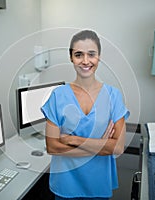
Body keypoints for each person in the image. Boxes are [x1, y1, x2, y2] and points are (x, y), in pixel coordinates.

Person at [41, 30, 130, 200]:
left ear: (99, 57)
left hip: (98, 184)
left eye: (91, 54)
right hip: (65, 185)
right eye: (79, 54)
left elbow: (117, 148)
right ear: (71, 58)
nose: (85, 61)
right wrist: (101, 145)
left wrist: (72, 139)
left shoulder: (113, 96)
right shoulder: (57, 96)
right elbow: (52, 147)